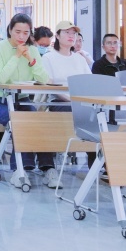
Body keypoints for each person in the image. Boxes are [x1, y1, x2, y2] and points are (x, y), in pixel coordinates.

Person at [0, 14, 48, 173]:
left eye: (26, 33)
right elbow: (1, 78)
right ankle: (20, 168)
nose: (21, 37)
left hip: (22, 100)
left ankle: (47, 167)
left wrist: (31, 59)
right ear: (10, 30)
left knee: (39, 122)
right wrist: (17, 56)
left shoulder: (32, 49)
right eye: (18, 32)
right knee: (20, 121)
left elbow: (44, 79)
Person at [39, 20, 93, 184]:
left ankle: (97, 165)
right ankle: (48, 168)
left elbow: (89, 82)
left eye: (74, 33)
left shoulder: (79, 59)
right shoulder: (48, 57)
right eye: (67, 32)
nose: (71, 36)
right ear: (57, 36)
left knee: (99, 115)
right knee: (47, 121)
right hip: (58, 103)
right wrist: (71, 100)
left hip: (81, 102)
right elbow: (50, 86)